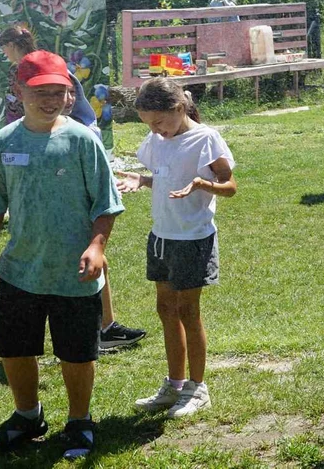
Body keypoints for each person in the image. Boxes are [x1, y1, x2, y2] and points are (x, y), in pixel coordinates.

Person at [0, 50, 124, 458]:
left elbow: (106, 204)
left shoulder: (82, 140)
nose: (51, 99)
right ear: (19, 91)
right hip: (21, 270)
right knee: (14, 347)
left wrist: (96, 245)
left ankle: (79, 421)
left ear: (70, 94)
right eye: (41, 91)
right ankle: (27, 416)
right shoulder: (4, 142)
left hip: (74, 274)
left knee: (77, 352)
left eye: (60, 91)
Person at [0, 25, 146, 351]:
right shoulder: (19, 79)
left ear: (12, 45)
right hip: (36, 158)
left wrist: (74, 138)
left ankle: (103, 326)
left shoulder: (56, 70)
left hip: (69, 147)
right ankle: (102, 325)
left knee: (90, 240)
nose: (51, 97)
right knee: (81, 249)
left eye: (4, 46)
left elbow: (75, 110)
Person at [116, 78, 236, 418]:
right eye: (148, 124)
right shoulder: (158, 139)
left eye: (159, 121)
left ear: (179, 108)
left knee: (188, 312)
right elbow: (165, 178)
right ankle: (175, 384)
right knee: (165, 309)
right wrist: (141, 179)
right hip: (161, 236)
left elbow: (230, 186)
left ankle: (199, 388)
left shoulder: (206, 139)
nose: (155, 129)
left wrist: (203, 184)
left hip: (193, 239)